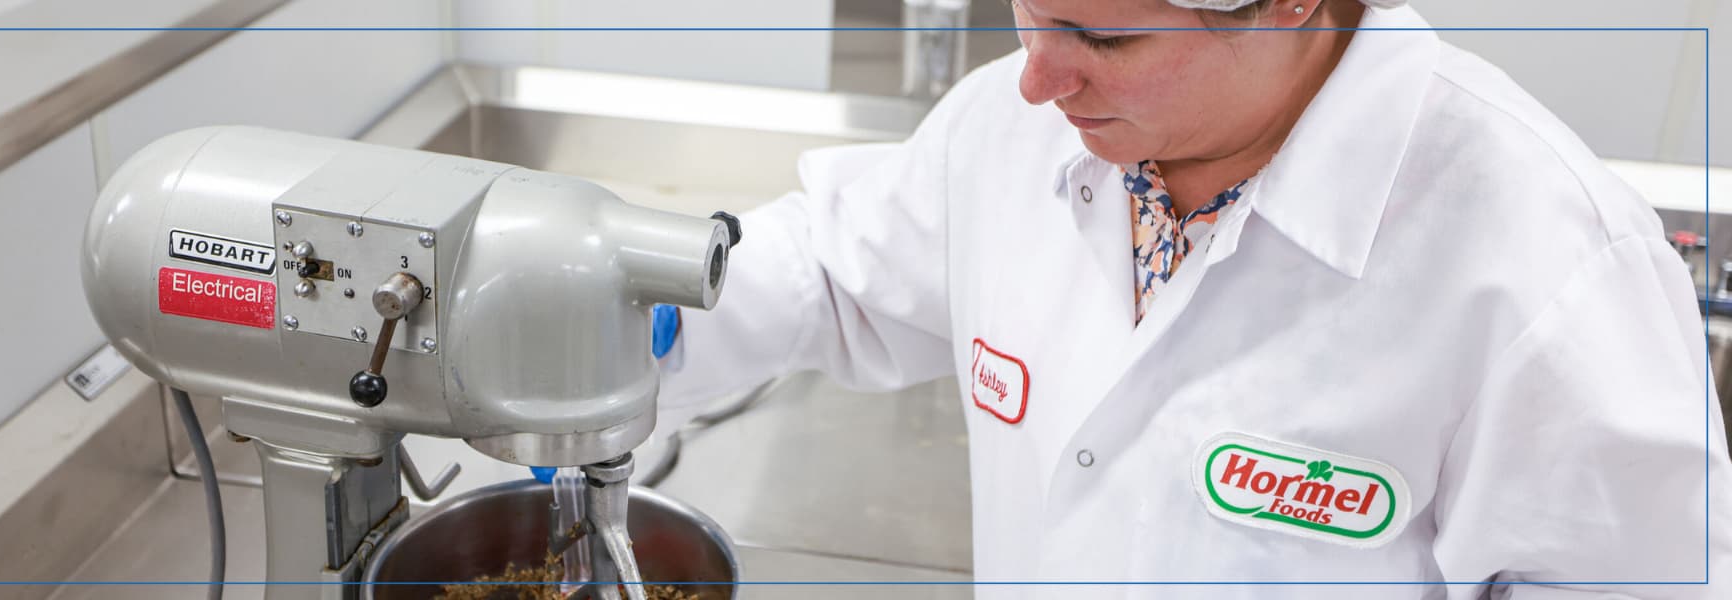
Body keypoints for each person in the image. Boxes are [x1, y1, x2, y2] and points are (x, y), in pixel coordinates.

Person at [651, 0, 1732, 597]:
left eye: (1108, 38)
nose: (1038, 76)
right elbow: (828, 274)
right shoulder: (1014, 129)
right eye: (1030, 7)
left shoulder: (1548, 265)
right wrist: (581, 312)